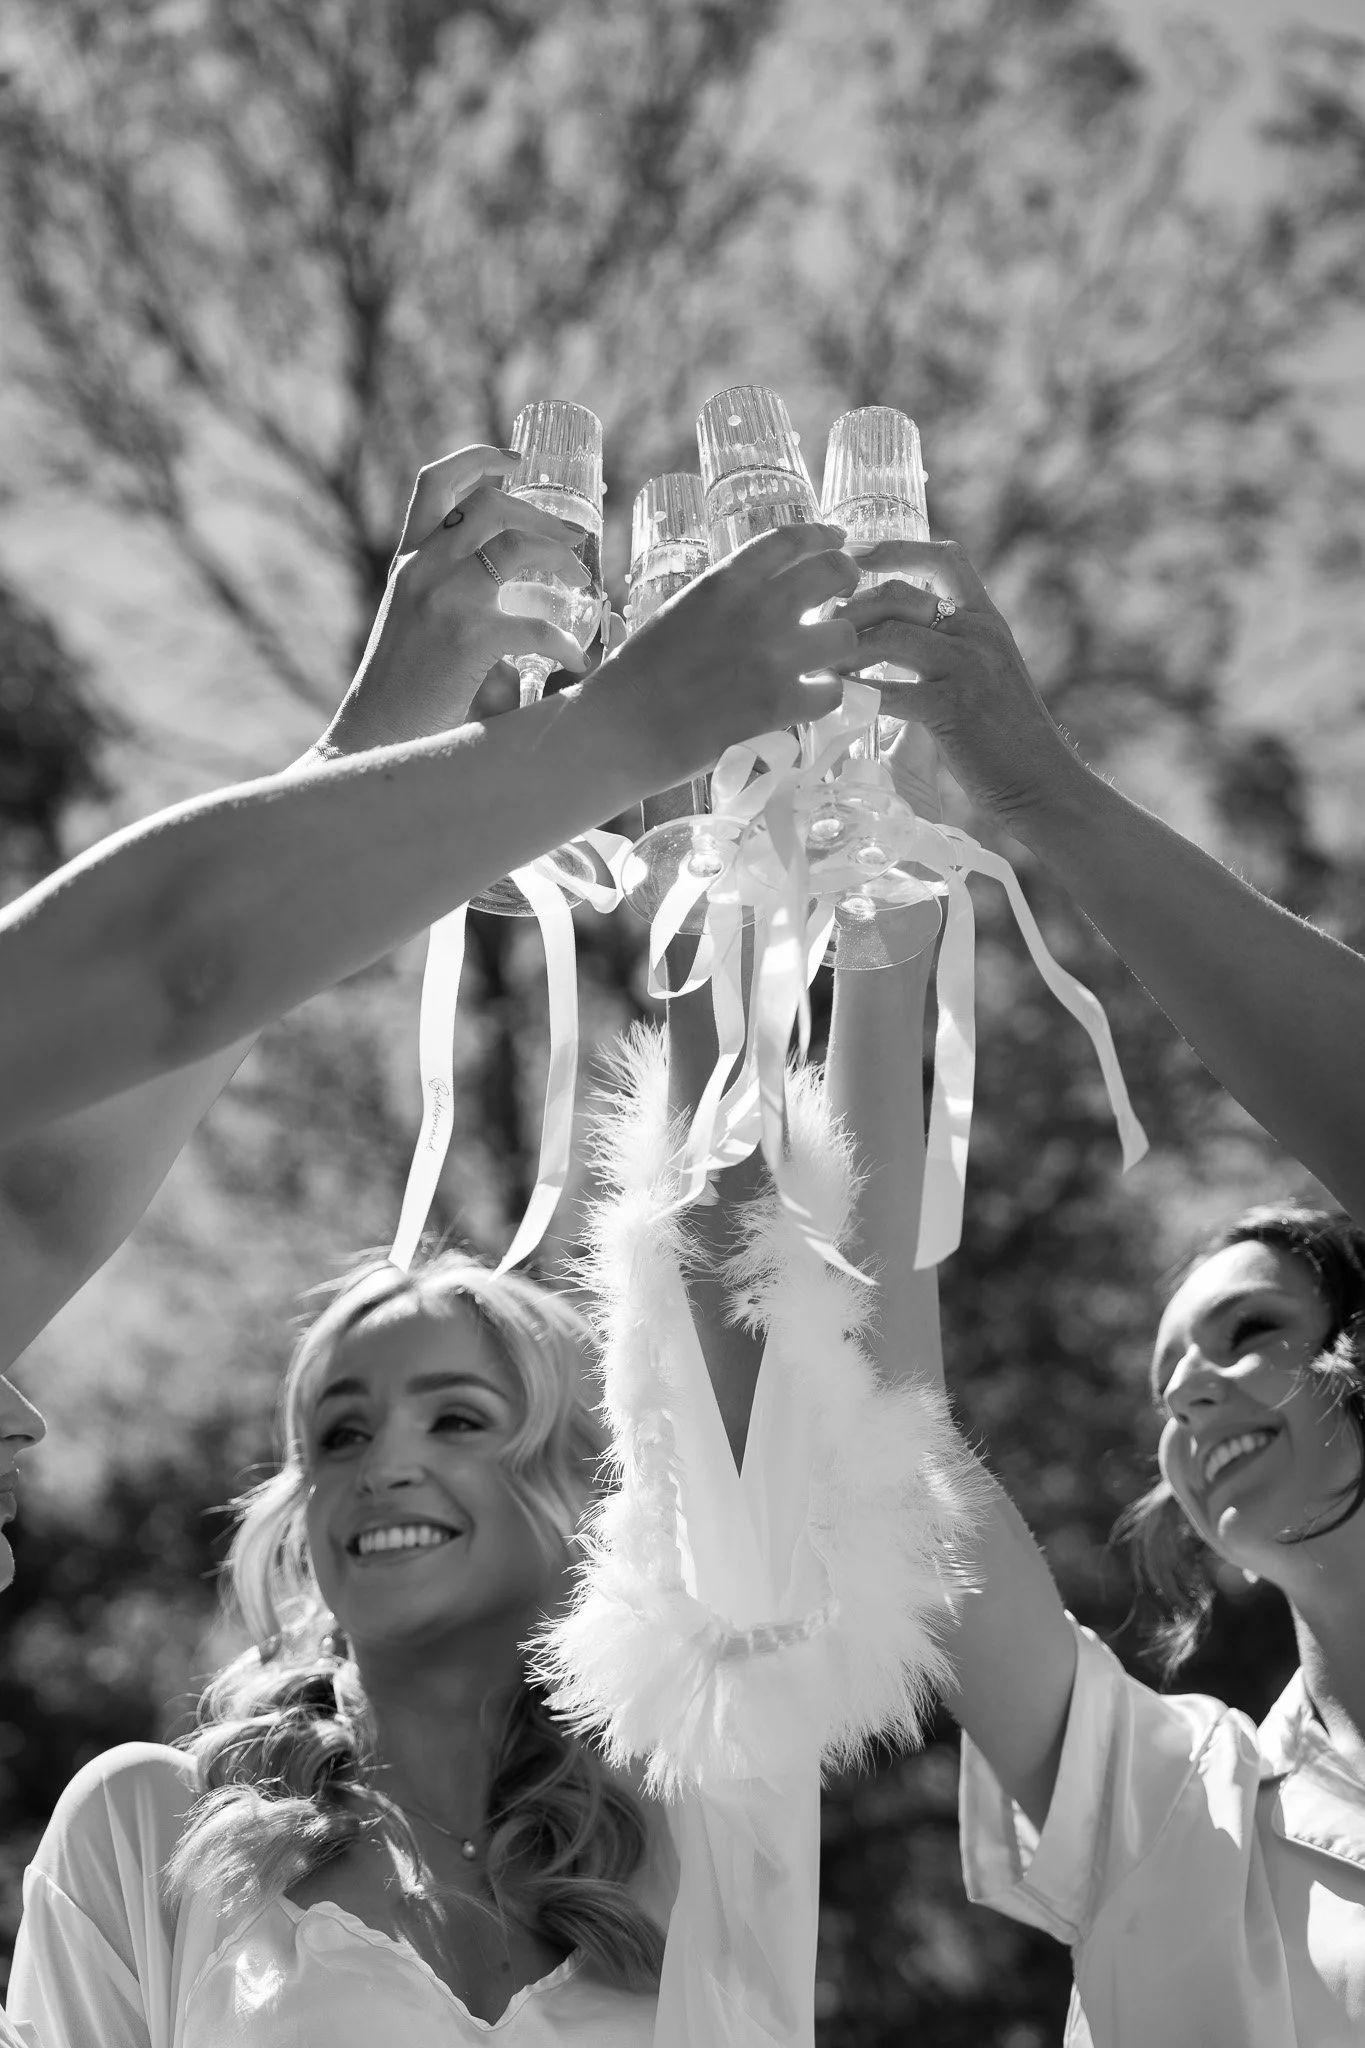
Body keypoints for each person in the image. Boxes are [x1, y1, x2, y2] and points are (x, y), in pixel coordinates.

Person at [826, 545, 1365, 2043]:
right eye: (1168, 1383)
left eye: (1255, 1330)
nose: (1191, 1394)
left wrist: (1032, 789)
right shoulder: (1164, 1805)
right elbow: (891, 1445)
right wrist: (879, 964)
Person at [8, 1254, 679, 2046]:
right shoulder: (151, 1827)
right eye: (342, 1434)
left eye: (457, 1419)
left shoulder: (677, 1841)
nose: (382, 1469)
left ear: (586, 1482)